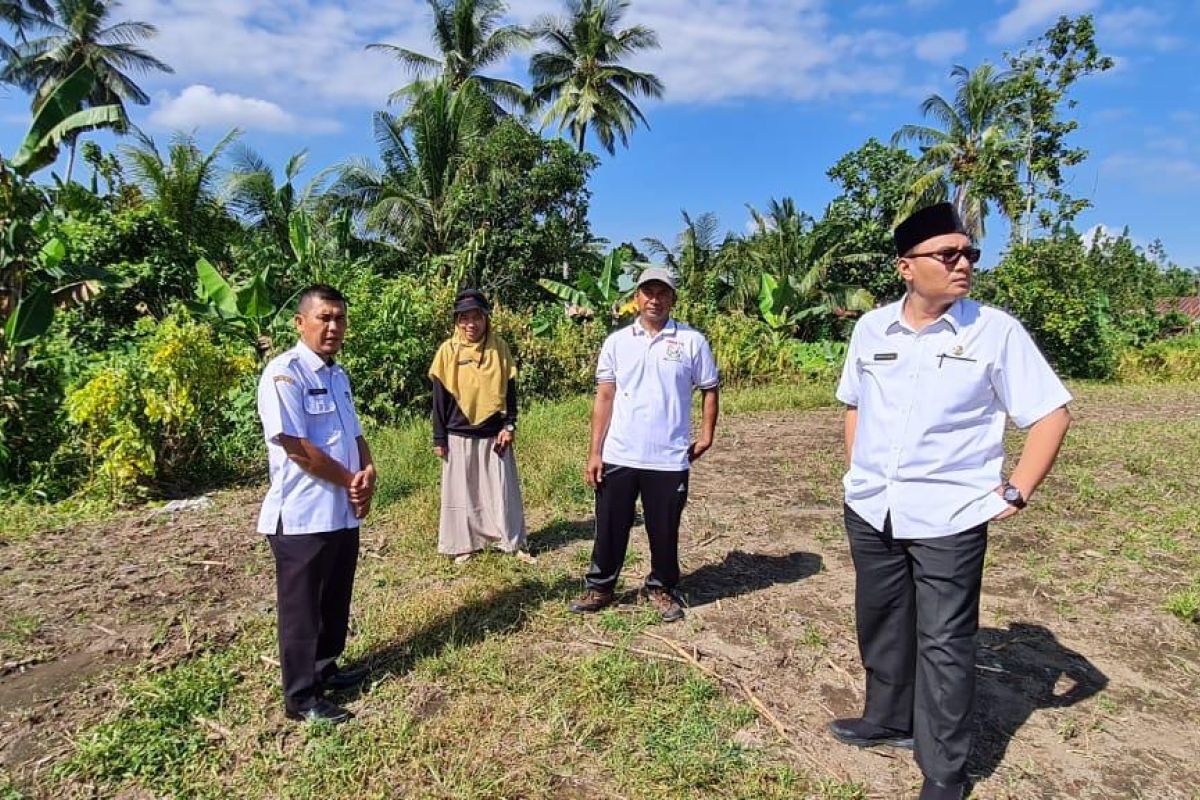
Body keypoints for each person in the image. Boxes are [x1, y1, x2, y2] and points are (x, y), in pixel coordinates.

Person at [829, 203, 1073, 800]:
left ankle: (943, 770)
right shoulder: (871, 329)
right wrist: (859, 470)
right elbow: (854, 403)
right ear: (906, 268)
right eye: (948, 254)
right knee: (882, 621)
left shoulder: (994, 331)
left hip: (949, 517)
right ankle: (887, 718)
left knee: (944, 642)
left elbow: (1050, 414)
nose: (963, 263)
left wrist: (1018, 488)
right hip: (873, 508)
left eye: (969, 254)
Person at [568, 267, 720, 623]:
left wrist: (707, 435)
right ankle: (601, 586)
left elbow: (709, 388)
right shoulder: (617, 342)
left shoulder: (691, 341)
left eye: (662, 293)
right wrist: (595, 451)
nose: (655, 299)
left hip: (668, 458)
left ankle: (661, 587)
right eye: (648, 292)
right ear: (635, 298)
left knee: (664, 528)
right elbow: (604, 397)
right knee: (610, 524)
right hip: (620, 452)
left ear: (672, 299)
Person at [256, 284, 375, 725]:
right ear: (300, 322)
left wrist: (368, 472)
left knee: (334, 598)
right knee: (302, 609)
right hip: (303, 516)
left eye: (339, 318)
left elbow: (355, 435)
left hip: (342, 510)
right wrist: (350, 481)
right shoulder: (284, 373)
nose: (333, 327)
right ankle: (302, 697)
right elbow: (296, 447)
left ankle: (327, 668)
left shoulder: (337, 375)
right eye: (324, 318)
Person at [429, 289, 532, 564]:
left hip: (494, 434)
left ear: (487, 319)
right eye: (464, 319)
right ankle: (463, 544)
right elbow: (439, 400)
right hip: (458, 432)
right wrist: (439, 438)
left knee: (503, 492)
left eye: (476, 317)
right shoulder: (447, 351)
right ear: (456, 322)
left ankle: (511, 541)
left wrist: (509, 425)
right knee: (462, 494)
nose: (470, 325)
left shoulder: (500, 349)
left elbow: (510, 392)